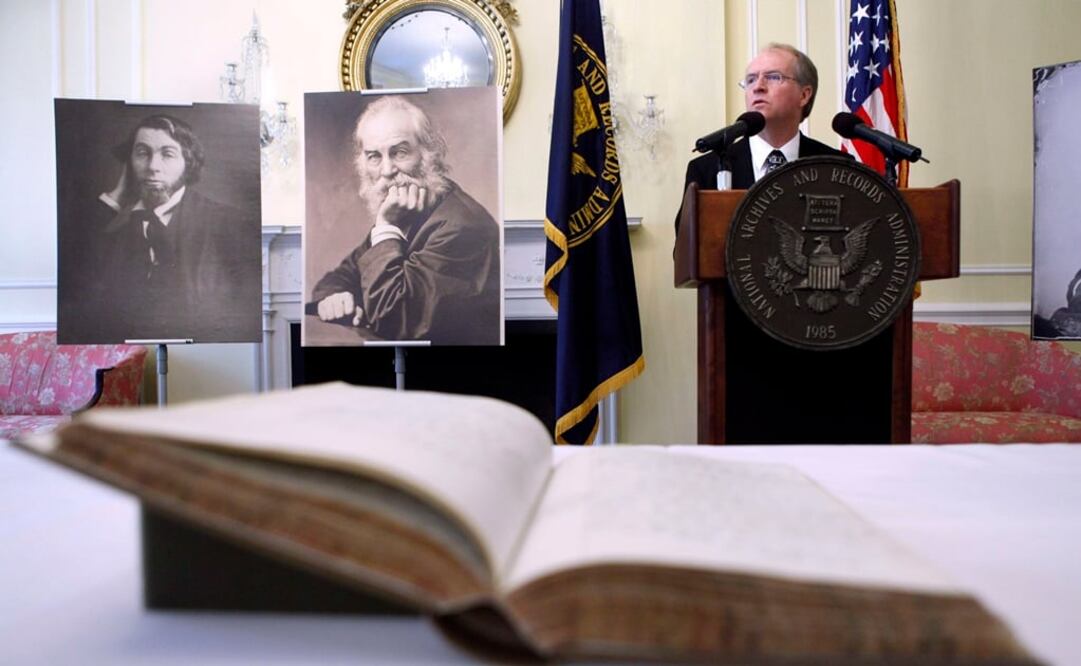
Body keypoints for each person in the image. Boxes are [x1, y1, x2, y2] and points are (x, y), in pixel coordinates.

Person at [308, 95, 501, 345]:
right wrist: (337, 298)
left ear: (428, 153)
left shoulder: (464, 227)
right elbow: (337, 279)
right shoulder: (405, 212)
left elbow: (394, 319)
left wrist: (386, 227)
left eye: (399, 153)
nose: (387, 170)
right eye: (374, 156)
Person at [73, 114, 259, 343]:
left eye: (167, 154)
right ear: (129, 164)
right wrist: (116, 197)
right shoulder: (114, 237)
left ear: (187, 163)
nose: (152, 167)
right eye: (142, 153)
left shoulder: (228, 224)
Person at [675, 43, 849, 235]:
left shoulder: (837, 167)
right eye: (750, 80)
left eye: (773, 77)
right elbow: (685, 253)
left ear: (804, 94)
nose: (758, 87)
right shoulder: (706, 169)